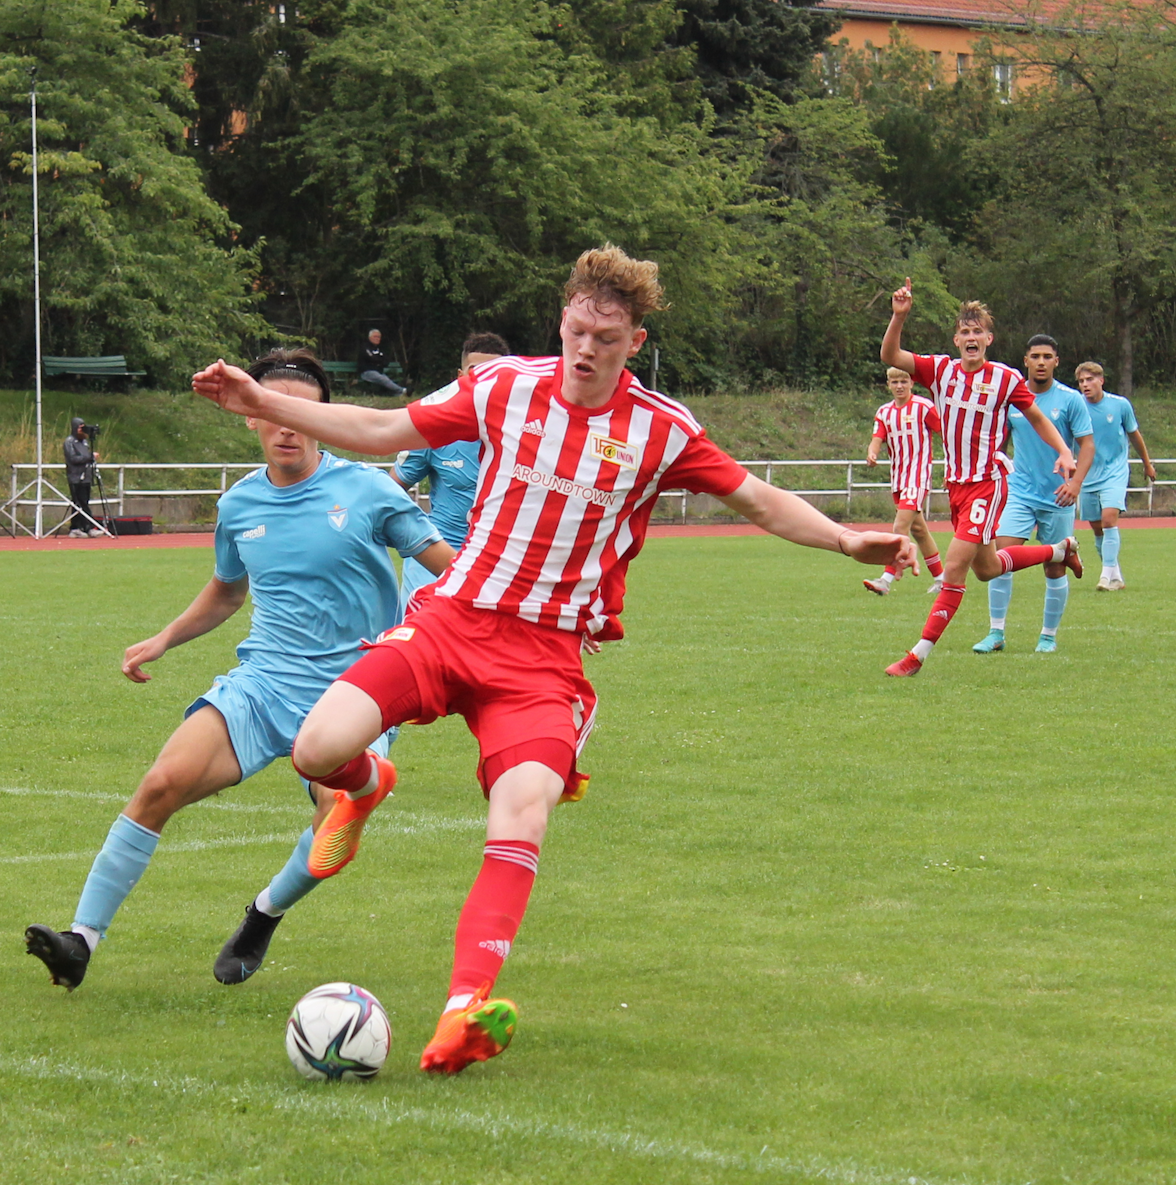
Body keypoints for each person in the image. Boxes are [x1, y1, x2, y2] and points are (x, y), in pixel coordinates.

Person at [192, 246, 916, 1076]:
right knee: (319, 748)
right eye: (577, 329)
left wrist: (841, 537)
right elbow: (383, 429)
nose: (586, 349)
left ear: (634, 342)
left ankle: (464, 1010)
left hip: (544, 661)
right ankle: (364, 786)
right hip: (452, 622)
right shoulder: (503, 386)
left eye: (606, 339)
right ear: (563, 320)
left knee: (523, 808)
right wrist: (253, 399)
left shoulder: (662, 429)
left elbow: (754, 496)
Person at [25, 352, 455, 991]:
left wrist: (525, 614)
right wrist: (165, 638)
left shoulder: (368, 490)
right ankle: (80, 941)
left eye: (299, 411)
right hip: (263, 684)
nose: (286, 426)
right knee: (160, 783)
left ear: (321, 417)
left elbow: (450, 565)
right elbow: (228, 592)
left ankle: (264, 913)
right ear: (251, 417)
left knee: (336, 818)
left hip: (358, 687)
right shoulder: (239, 504)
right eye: (268, 408)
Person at [878, 282, 1084, 677]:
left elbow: (1037, 417)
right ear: (957, 338)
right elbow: (890, 355)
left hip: (988, 483)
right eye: (965, 332)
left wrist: (1063, 450)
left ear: (989, 339)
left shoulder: (1006, 379)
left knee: (955, 571)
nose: (972, 338)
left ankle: (916, 656)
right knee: (987, 568)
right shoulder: (939, 370)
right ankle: (1060, 550)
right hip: (956, 485)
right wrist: (899, 316)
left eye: (979, 332)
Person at [976, 336, 1094, 654]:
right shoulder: (1013, 399)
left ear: (1057, 361)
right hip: (1018, 491)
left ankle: (1048, 636)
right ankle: (996, 632)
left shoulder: (1071, 400)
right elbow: (997, 443)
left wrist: (1076, 484)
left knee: (1054, 566)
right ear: (1025, 361)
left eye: (1047, 356)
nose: (1041, 362)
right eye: (1035, 356)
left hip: (1058, 496)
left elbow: (1087, 446)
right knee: (1001, 558)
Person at [391, 333, 507, 595]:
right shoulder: (433, 429)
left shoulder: (525, 436)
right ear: (460, 376)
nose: (484, 383)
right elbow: (390, 489)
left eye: (495, 375)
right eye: (476, 373)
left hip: (495, 567)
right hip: (433, 562)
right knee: (420, 634)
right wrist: (416, 535)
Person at [862, 365, 945, 597]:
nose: (899, 386)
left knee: (900, 527)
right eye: (895, 382)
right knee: (919, 530)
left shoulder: (923, 407)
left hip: (917, 477)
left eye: (904, 381)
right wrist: (872, 453)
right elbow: (877, 437)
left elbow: (946, 436)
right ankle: (942, 579)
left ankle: (886, 580)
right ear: (888, 385)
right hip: (898, 479)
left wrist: (952, 466)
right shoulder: (884, 412)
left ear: (912, 383)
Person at [1074, 361, 1157, 591]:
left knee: (1109, 518)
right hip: (1088, 474)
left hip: (1115, 472)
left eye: (1089, 379)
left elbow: (1134, 435)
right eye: (1081, 381)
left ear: (1101, 380)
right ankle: (1116, 576)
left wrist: (1147, 464)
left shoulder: (1120, 405)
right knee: (1098, 527)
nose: (1085, 385)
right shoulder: (1076, 406)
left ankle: (1104, 575)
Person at [62, 417, 103, 538]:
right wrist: (90, 457)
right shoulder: (69, 442)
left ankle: (77, 527)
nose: (82, 430)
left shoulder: (84, 442)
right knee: (79, 503)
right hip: (75, 476)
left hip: (86, 476)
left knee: (83, 502)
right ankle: (88, 527)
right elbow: (73, 459)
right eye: (80, 427)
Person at [357, 328, 406, 396]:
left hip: (378, 372)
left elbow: (386, 361)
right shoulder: (365, 347)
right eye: (375, 336)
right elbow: (372, 358)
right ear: (370, 337)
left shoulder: (379, 349)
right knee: (383, 379)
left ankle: (398, 393)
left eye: (379, 337)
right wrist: (379, 361)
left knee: (385, 379)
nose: (377, 338)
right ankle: (403, 390)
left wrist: (379, 361)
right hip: (367, 372)